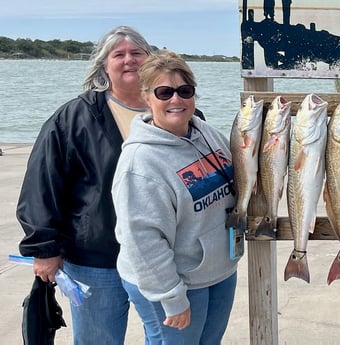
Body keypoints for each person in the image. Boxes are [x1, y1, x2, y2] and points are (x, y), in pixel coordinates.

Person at [17, 26, 155, 344]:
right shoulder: (73, 117)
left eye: (137, 53)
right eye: (118, 54)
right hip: (95, 259)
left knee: (166, 338)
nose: (128, 60)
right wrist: (43, 249)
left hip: (159, 256)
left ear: (151, 60)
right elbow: (42, 185)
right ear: (104, 66)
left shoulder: (174, 108)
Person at [112, 50, 238, 344]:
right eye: (164, 92)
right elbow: (141, 239)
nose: (175, 100)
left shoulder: (206, 132)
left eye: (184, 91)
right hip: (172, 282)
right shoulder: (140, 163)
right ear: (146, 97)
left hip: (216, 272)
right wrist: (171, 297)